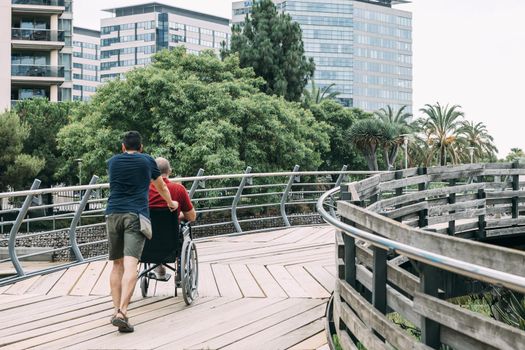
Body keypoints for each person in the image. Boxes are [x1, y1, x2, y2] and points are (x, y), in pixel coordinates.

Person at [106, 131, 178, 333]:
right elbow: (161, 186)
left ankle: (115, 309)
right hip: (135, 215)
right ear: (141, 147)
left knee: (116, 265)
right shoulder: (147, 161)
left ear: (122, 147)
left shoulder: (112, 162)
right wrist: (170, 203)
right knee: (131, 266)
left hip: (112, 214)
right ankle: (123, 312)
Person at [148, 157, 196, 280]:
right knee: (183, 231)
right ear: (169, 171)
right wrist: (178, 215)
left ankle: (157, 265)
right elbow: (192, 217)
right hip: (171, 238)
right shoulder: (178, 189)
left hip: (148, 239)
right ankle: (180, 270)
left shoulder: (143, 190)